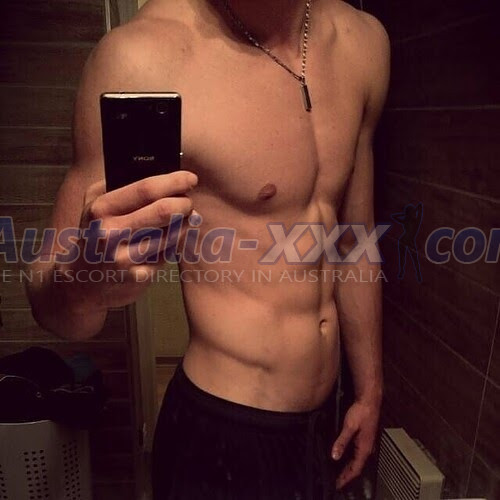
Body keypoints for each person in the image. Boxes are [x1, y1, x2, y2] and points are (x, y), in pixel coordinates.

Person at [26, 0, 390, 498]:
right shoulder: (142, 55)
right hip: (221, 433)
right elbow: (50, 306)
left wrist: (370, 390)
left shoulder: (363, 44)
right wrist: (82, 283)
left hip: (325, 422)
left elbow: (354, 240)